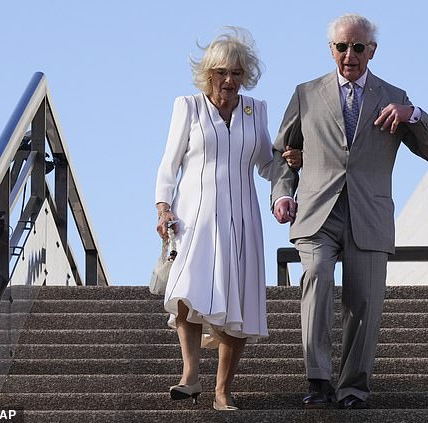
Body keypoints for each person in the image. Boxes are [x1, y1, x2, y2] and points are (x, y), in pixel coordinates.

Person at [271, 14, 428, 409]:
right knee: (315, 277)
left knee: (364, 301)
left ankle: (353, 386)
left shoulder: (394, 96)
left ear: (372, 51)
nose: (349, 55)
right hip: (318, 212)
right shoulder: (306, 93)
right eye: (341, 47)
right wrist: (282, 193)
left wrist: (413, 115)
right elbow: (280, 153)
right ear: (330, 49)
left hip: (369, 214)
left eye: (358, 47)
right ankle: (318, 380)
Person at [155, 27, 301, 411]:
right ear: (208, 74)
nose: (229, 80)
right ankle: (189, 376)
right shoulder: (187, 107)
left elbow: (265, 166)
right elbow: (168, 165)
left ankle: (223, 391)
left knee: (239, 303)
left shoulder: (257, 110)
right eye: (222, 72)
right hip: (195, 217)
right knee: (187, 291)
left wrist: (288, 161)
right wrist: (162, 207)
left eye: (237, 73)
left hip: (242, 219)